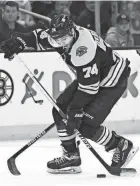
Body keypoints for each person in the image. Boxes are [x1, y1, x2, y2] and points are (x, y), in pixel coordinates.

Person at [0, 14, 138, 174]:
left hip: (112, 80)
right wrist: (19, 41)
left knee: (84, 125)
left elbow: (90, 88)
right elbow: (37, 37)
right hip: (90, 78)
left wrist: (75, 112)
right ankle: (71, 156)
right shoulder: (58, 35)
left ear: (72, 32)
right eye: (56, 39)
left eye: (63, 39)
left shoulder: (83, 48)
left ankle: (120, 144)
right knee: (59, 110)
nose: (60, 43)